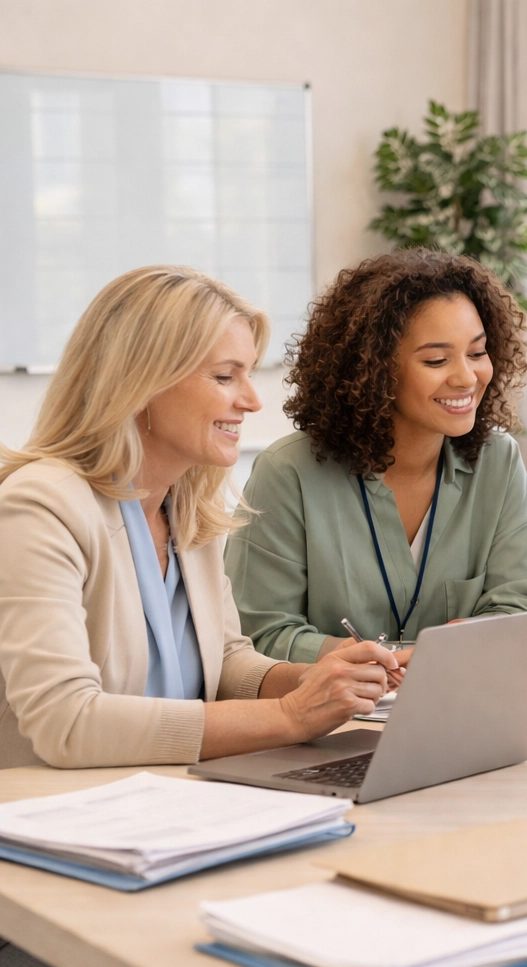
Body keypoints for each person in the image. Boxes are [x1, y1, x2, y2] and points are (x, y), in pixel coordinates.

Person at [0, 266, 401, 771]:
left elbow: (226, 661)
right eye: (223, 376)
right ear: (141, 381)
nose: (252, 400)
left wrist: (315, 680)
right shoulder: (40, 507)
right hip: (61, 816)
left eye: (249, 375)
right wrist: (291, 716)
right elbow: (67, 723)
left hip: (173, 798)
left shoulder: (184, 505)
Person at [226, 249, 527, 662]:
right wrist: (362, 657)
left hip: (460, 707)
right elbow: (259, 634)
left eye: (477, 352)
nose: (467, 377)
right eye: (436, 359)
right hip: (331, 719)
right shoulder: (289, 472)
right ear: (375, 369)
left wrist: (462, 641)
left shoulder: (498, 461)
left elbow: (524, 608)